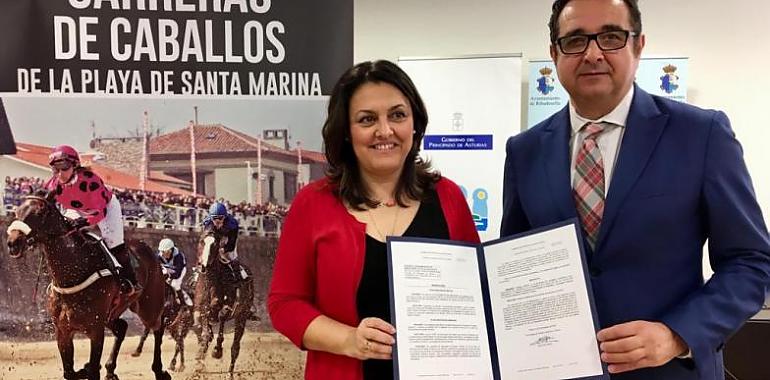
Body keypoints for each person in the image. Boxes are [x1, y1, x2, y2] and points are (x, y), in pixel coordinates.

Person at [501, 1, 770, 379]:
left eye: (610, 37)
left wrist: (677, 334)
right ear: (554, 54)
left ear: (638, 45)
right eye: (575, 40)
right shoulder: (524, 151)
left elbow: (751, 262)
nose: (593, 53)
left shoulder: (701, 135)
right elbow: (515, 263)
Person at [268, 60, 480, 380]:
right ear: (346, 133)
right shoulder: (313, 204)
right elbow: (285, 304)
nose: (385, 130)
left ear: (415, 124)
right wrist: (349, 340)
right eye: (367, 119)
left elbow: (477, 293)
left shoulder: (448, 197)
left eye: (397, 115)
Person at [44, 144, 141, 296]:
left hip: (106, 208)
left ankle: (130, 280)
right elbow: (43, 203)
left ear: (75, 166)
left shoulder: (91, 181)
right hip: (78, 209)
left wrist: (83, 222)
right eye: (56, 169)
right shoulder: (53, 184)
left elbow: (100, 212)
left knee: (113, 242)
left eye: (64, 167)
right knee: (65, 237)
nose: (60, 173)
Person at [201, 202, 248, 283]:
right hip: (214, 237)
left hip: (227, 237)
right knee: (207, 249)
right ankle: (199, 273)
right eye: (215, 218)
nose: (217, 221)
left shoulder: (232, 224)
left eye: (220, 218)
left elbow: (232, 243)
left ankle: (238, 275)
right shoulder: (207, 223)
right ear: (211, 218)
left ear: (225, 217)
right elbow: (204, 239)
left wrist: (224, 249)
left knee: (231, 256)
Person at [157, 238, 193, 307]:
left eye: (166, 252)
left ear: (171, 250)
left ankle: (183, 302)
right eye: (162, 251)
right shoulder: (160, 256)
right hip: (168, 270)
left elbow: (177, 273)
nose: (164, 254)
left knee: (175, 284)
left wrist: (169, 274)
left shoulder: (178, 256)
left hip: (180, 271)